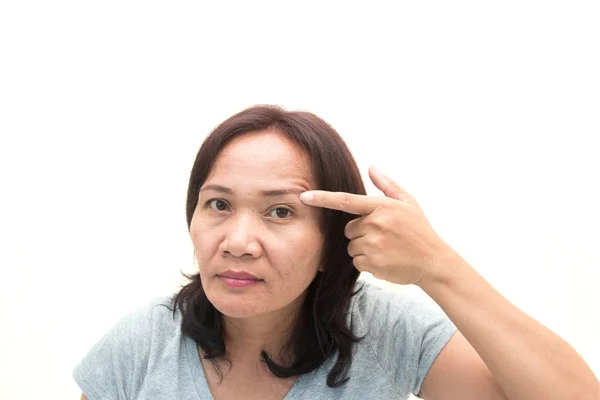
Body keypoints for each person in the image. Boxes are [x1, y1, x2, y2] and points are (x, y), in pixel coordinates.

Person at [73, 105, 599, 400]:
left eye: (280, 212)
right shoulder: (143, 345)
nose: (236, 241)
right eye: (218, 204)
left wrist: (439, 267)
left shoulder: (384, 329)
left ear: (332, 242)